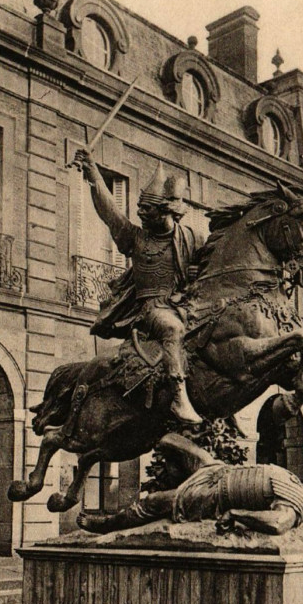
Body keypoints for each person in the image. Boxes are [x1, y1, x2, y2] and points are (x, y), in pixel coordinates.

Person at [74, 149, 204, 424]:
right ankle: (178, 395)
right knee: (171, 328)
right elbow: (109, 212)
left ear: (167, 211)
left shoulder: (191, 237)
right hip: (152, 308)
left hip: (186, 304)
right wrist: (94, 174)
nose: (142, 215)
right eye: (140, 210)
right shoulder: (135, 237)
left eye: (148, 210)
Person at [77, 432, 303, 535]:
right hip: (218, 470)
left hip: (211, 494)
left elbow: (278, 523)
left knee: (153, 503)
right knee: (170, 438)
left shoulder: (297, 504)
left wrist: (236, 514)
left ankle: (105, 525)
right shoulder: (294, 481)